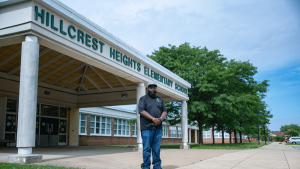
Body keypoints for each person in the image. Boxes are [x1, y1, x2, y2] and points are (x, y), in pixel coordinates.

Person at [138, 81, 167, 169]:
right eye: (151, 87)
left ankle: (157, 166)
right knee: (146, 148)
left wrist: (160, 119)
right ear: (147, 89)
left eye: (154, 87)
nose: (152, 89)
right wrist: (153, 119)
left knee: (156, 148)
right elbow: (141, 111)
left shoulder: (160, 99)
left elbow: (164, 111)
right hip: (147, 127)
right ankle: (146, 166)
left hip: (158, 128)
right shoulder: (143, 99)